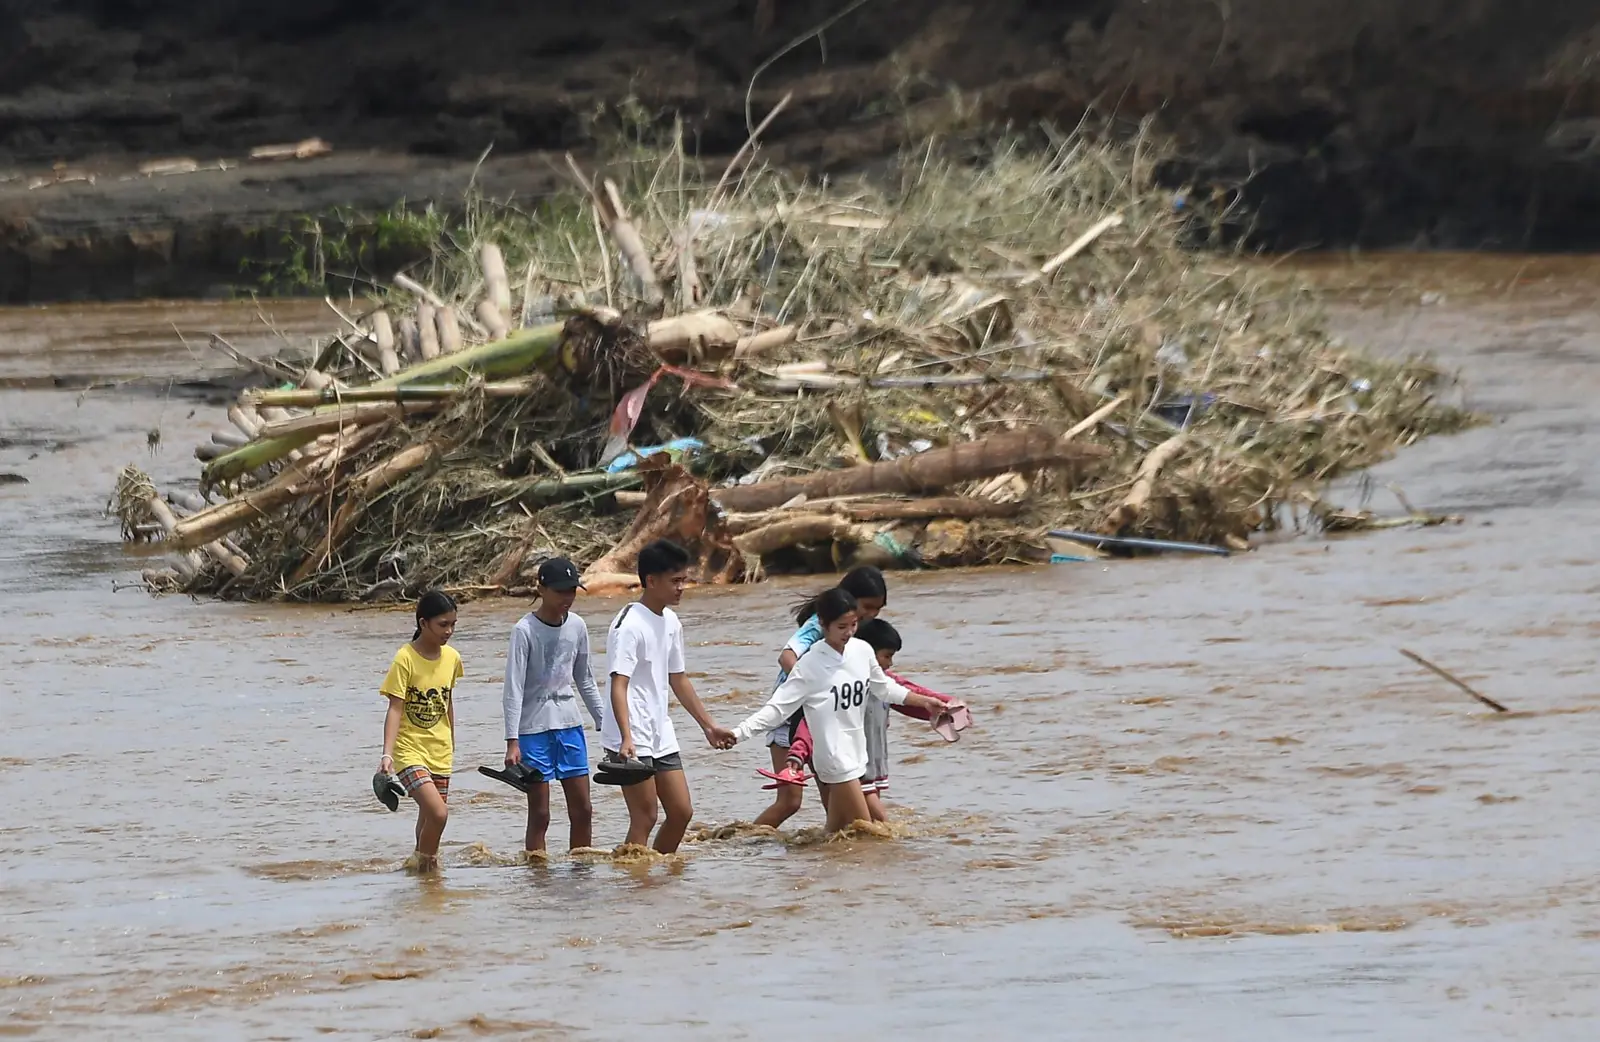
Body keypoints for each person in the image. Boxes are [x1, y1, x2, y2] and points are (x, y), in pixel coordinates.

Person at [724, 588, 952, 835]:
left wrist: (925, 702)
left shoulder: (862, 651)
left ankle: (763, 851)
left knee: (835, 838)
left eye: (853, 624)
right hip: (834, 760)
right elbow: (777, 709)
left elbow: (884, 688)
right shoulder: (811, 664)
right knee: (870, 837)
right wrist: (737, 734)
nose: (849, 632)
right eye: (842, 626)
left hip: (857, 755)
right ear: (823, 624)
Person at [603, 539, 735, 854]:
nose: (681, 588)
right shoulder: (628, 625)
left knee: (681, 812)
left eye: (683, 580)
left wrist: (708, 725)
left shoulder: (671, 621)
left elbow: (678, 678)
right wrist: (626, 737)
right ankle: (635, 886)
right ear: (651, 581)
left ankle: (659, 878)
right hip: (630, 735)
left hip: (660, 731)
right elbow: (618, 683)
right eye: (675, 581)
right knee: (645, 817)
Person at [752, 566, 888, 829]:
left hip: (823, 723)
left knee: (835, 800)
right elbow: (787, 656)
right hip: (791, 716)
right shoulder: (818, 623)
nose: (871, 615)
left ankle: (832, 863)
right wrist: (815, 687)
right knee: (790, 800)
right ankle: (742, 844)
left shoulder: (852, 631)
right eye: (867, 607)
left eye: (877, 610)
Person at [501, 557, 604, 854]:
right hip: (533, 731)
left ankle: (581, 872)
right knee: (541, 814)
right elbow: (514, 689)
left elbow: (585, 679)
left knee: (583, 809)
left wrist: (606, 725)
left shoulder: (578, 626)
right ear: (541, 588)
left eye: (572, 590)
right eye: (560, 591)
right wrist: (512, 741)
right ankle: (538, 879)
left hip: (570, 727)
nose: (567, 598)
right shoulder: (524, 630)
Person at [378, 591, 463, 874]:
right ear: (423, 623)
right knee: (439, 814)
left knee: (427, 817)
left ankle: (426, 879)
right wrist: (387, 754)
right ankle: (421, 863)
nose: (448, 631)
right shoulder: (405, 658)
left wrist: (451, 739)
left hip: (440, 750)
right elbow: (395, 708)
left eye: (453, 624)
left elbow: (447, 700)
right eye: (442, 624)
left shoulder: (452, 658)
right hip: (408, 752)